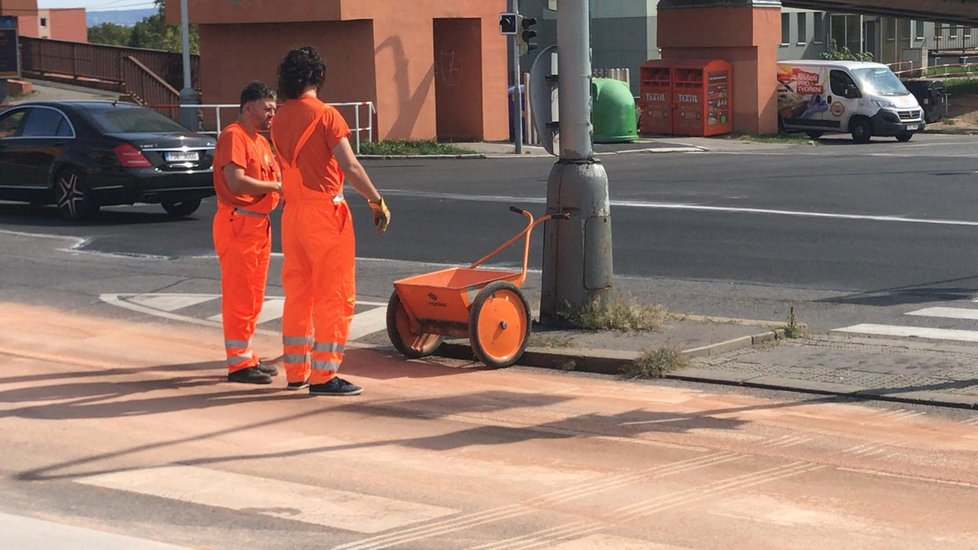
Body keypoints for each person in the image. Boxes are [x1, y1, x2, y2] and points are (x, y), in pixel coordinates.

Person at [270, 46, 391, 396]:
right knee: (333, 296)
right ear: (317, 77)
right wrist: (376, 200)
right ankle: (324, 375)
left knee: (298, 293)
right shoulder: (327, 116)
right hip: (324, 213)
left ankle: (296, 371)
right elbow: (350, 167)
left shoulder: (278, 118)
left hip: (291, 214)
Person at [212, 81, 282, 384]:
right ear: (247, 107)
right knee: (240, 294)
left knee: (253, 294)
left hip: (256, 224)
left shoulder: (260, 142)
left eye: (274, 110)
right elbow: (236, 181)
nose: (271, 115)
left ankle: (246, 355)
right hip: (239, 222)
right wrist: (277, 187)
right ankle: (238, 364)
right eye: (267, 109)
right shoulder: (234, 136)